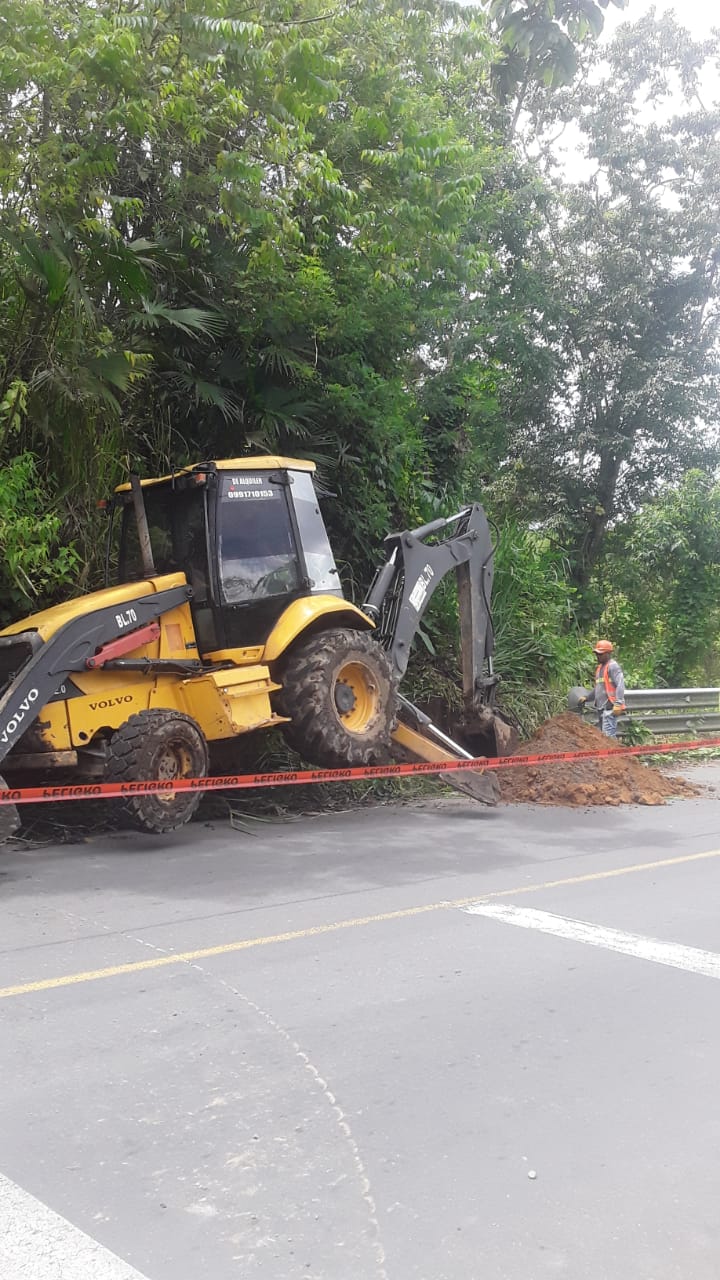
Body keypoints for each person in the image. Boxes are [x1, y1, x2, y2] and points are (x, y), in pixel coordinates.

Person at [582, 640, 627, 738]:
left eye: (600, 654)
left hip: (609, 707)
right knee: (604, 738)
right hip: (601, 708)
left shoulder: (612, 666)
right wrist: (587, 698)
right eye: (597, 654)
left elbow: (620, 684)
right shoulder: (600, 668)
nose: (598, 656)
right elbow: (598, 687)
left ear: (608, 653)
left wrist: (618, 704)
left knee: (608, 738)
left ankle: (614, 748)